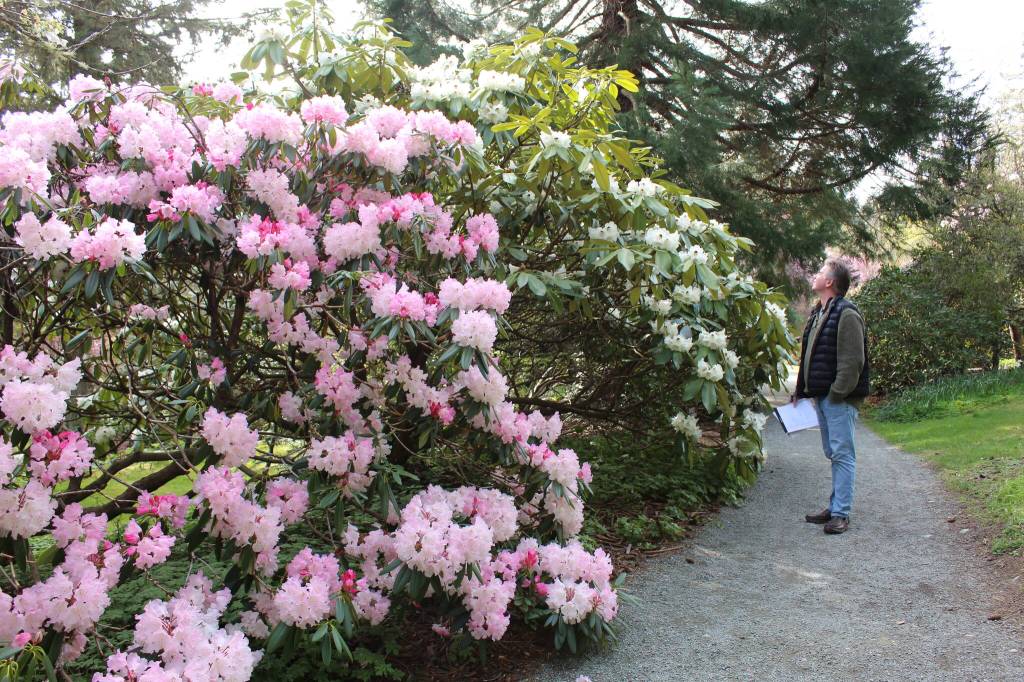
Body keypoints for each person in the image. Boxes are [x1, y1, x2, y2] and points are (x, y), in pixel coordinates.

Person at [793, 259, 870, 535]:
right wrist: (801, 391)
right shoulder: (819, 312)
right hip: (823, 396)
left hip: (838, 398)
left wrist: (837, 393)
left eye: (820, 273)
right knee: (833, 453)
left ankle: (840, 514)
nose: (815, 276)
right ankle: (835, 505)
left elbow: (853, 361)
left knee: (842, 454)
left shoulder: (847, 314)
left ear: (830, 282)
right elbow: (809, 355)